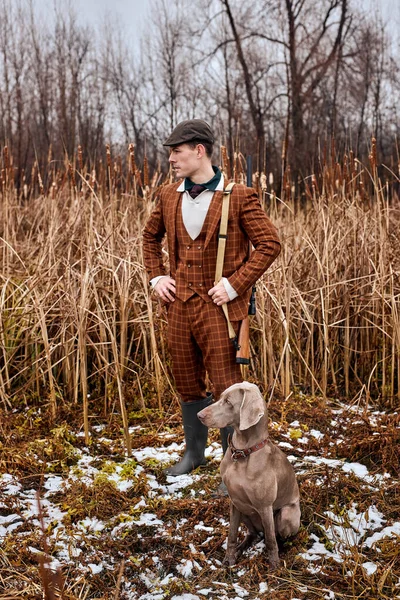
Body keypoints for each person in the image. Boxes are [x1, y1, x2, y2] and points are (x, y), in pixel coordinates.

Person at [142, 119, 281, 477]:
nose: (172, 159)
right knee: (186, 380)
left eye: (177, 152)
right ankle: (194, 454)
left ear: (199, 150)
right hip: (179, 308)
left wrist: (234, 285)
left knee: (226, 387)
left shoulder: (239, 196)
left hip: (220, 311)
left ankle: (232, 465)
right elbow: (148, 239)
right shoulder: (168, 195)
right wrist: (158, 277)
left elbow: (270, 244)